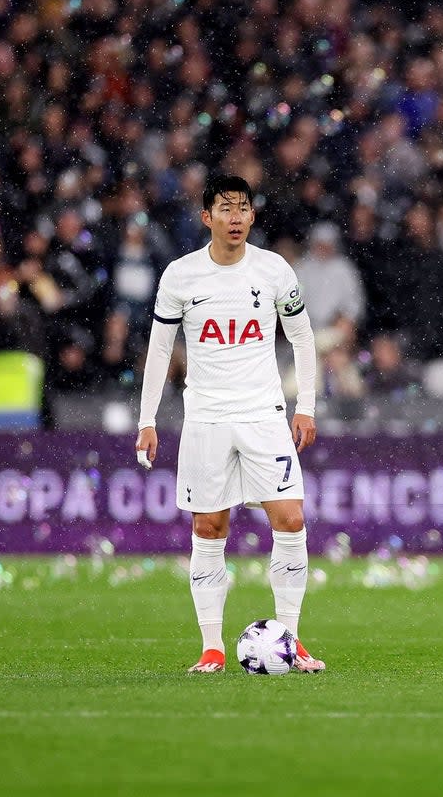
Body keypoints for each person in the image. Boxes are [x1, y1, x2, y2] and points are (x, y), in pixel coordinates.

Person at [134, 173, 325, 674]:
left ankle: (293, 639)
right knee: (210, 527)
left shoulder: (274, 270)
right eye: (225, 208)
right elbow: (159, 349)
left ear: (252, 216)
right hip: (206, 419)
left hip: (265, 415)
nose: (235, 217)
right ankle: (212, 648)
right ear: (207, 218)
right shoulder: (180, 275)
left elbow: (303, 339)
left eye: (243, 208)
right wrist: (147, 418)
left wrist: (306, 405)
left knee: (291, 520)